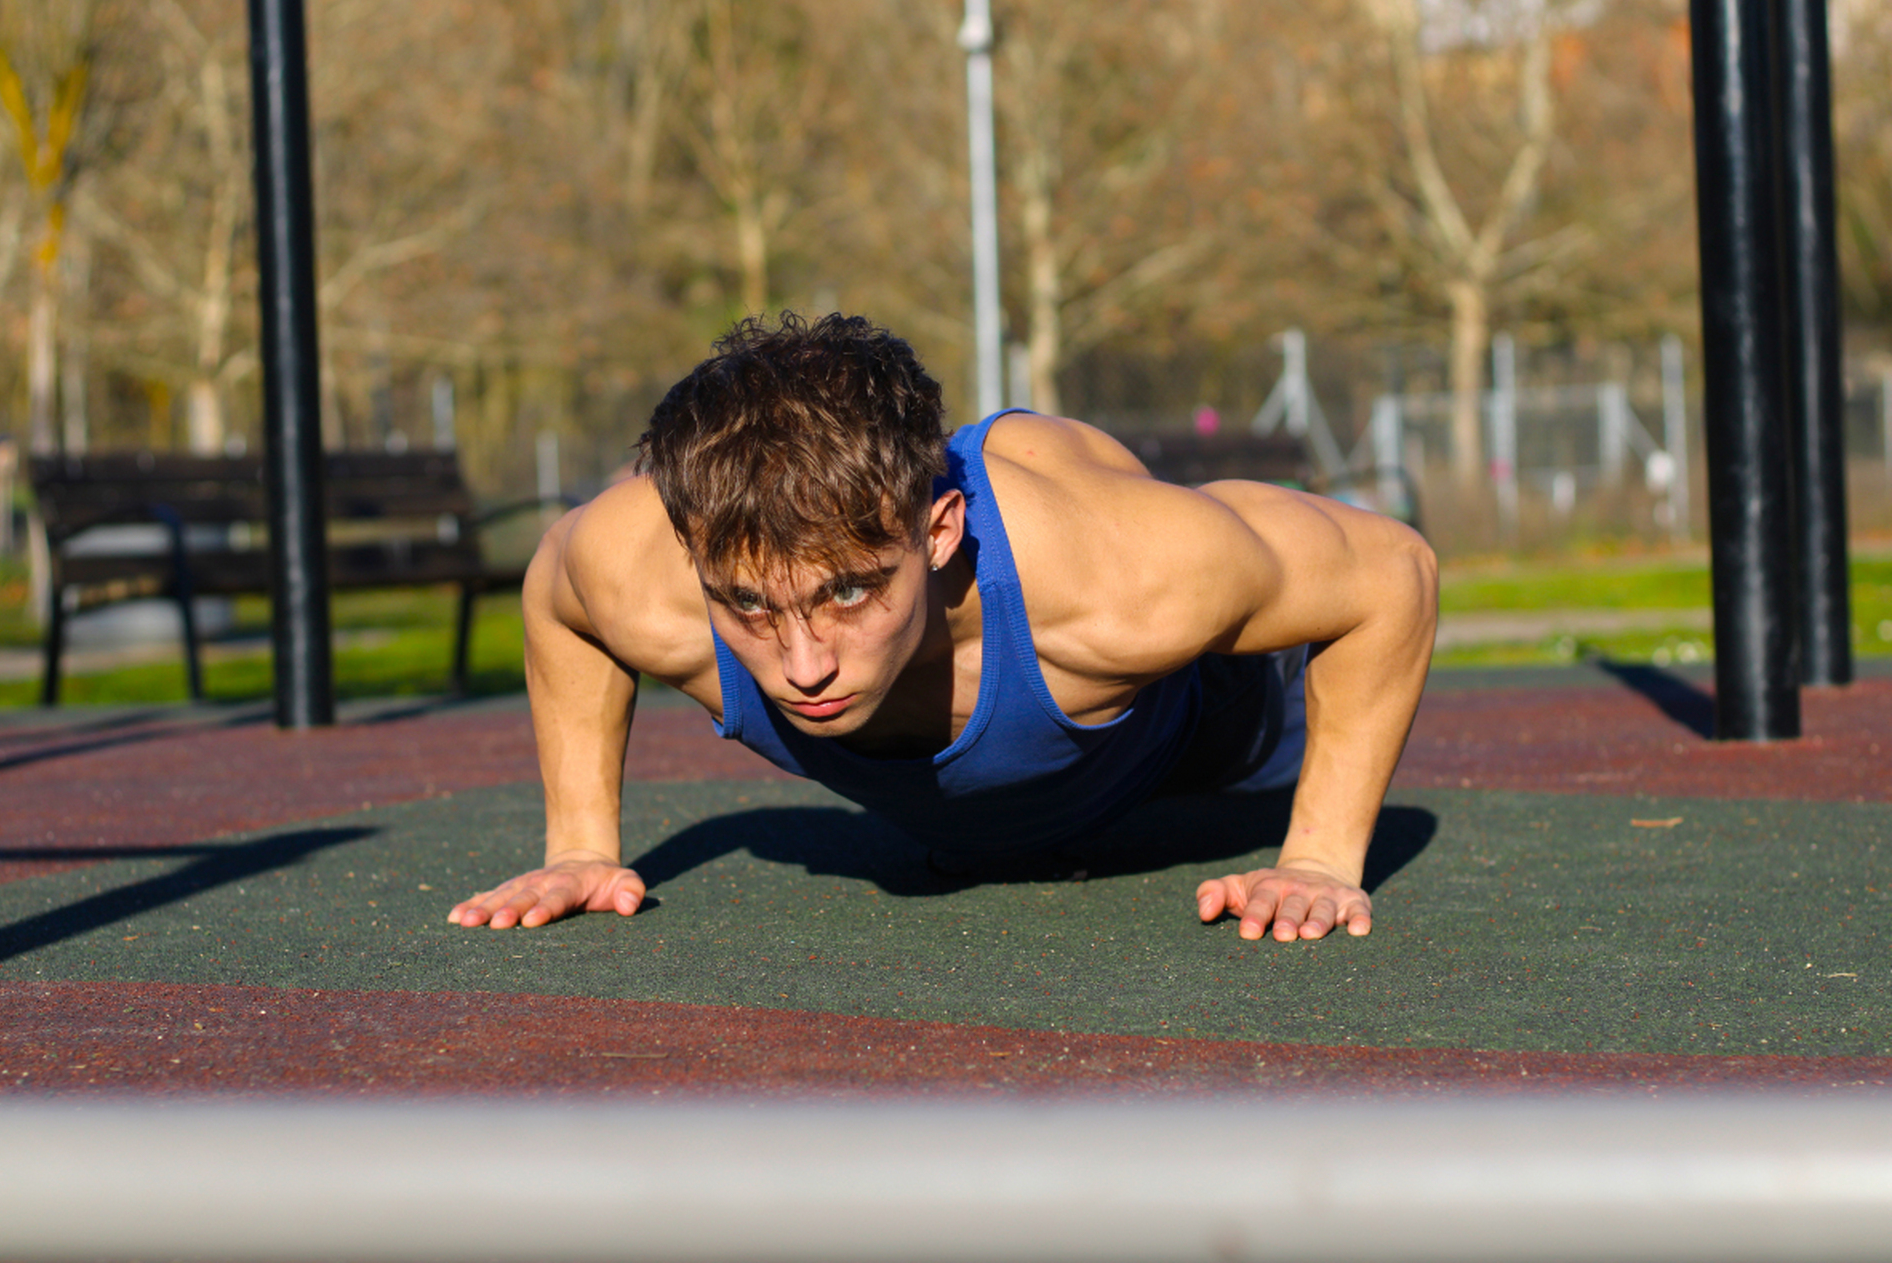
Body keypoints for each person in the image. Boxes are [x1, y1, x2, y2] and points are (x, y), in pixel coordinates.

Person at [450, 313, 1436, 943]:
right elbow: (555, 593)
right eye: (748, 605)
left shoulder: (1128, 581)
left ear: (938, 530)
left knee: (1214, 618)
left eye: (848, 594)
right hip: (997, 790)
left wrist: (1317, 860)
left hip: (1201, 727)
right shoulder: (637, 569)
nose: (803, 665)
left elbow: (1394, 571)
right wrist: (581, 843)